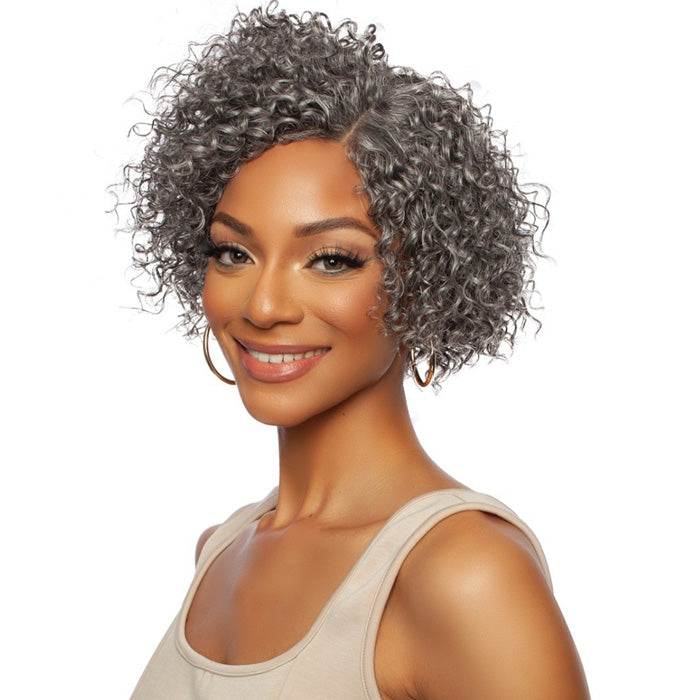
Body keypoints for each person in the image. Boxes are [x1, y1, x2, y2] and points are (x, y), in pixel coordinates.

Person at [121, 4, 590, 699]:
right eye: (234, 252)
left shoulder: (463, 574)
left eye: (332, 259)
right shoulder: (219, 551)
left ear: (425, 280)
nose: (264, 306)